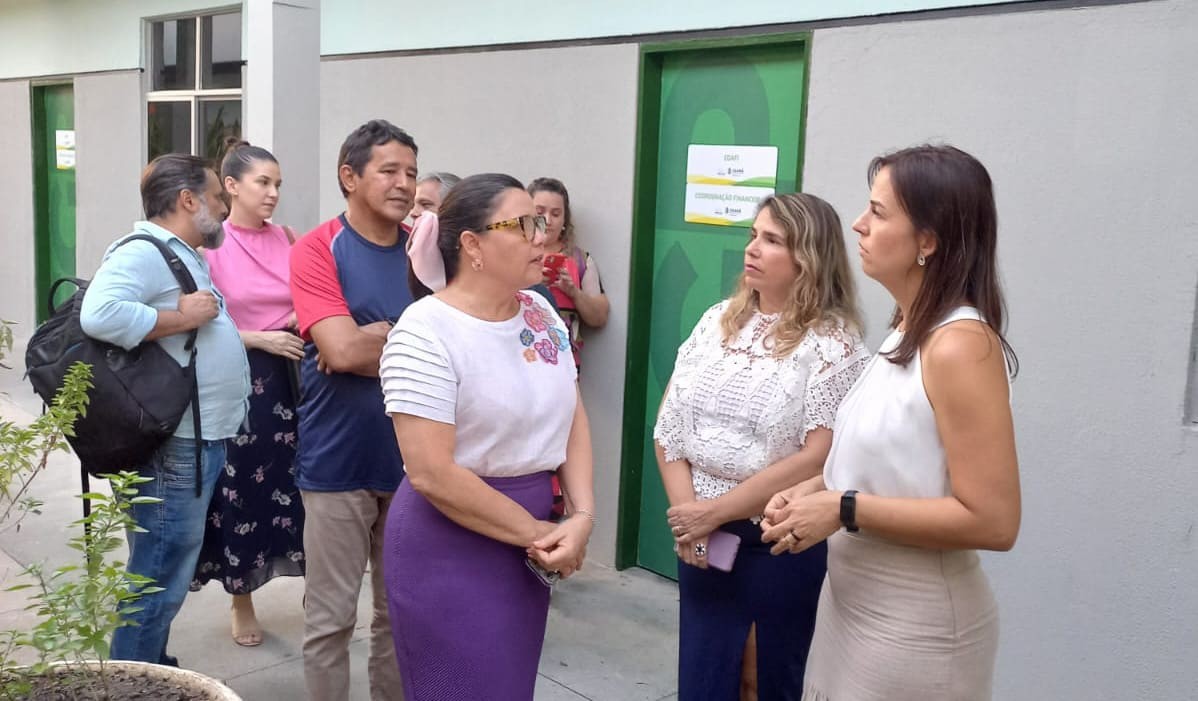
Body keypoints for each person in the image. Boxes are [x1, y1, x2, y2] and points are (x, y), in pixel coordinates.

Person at [760, 145, 1021, 701]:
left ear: (927, 241)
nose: (858, 223)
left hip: (915, 629)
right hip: (853, 609)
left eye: (878, 213)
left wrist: (842, 508)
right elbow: (891, 464)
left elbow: (995, 521)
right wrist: (812, 490)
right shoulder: (908, 329)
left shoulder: (959, 345)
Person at [380, 173, 595, 701]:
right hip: (450, 539)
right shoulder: (423, 331)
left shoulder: (539, 311)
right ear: (472, 245)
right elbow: (432, 472)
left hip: (529, 537)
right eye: (522, 225)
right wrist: (539, 535)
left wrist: (582, 516)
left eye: (540, 222)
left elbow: (571, 413)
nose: (540, 236)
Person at [653, 193, 869, 700]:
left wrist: (713, 513)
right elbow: (669, 427)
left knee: (760, 680)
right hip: (702, 540)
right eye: (753, 235)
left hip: (776, 542)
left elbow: (818, 456)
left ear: (807, 259)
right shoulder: (716, 321)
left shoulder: (832, 344)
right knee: (705, 678)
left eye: (772, 240)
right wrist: (690, 518)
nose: (752, 248)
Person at [80, 154, 250, 665]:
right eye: (218, 197)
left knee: (162, 568)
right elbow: (100, 314)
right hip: (173, 445)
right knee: (157, 573)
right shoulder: (144, 252)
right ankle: (134, 679)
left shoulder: (179, 253)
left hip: (190, 438)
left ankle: (148, 664)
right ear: (188, 200)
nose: (225, 208)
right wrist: (180, 316)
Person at [289, 119, 416, 701]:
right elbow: (339, 351)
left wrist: (375, 337)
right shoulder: (318, 248)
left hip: (417, 465)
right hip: (337, 461)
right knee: (330, 621)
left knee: (400, 618)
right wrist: (394, 344)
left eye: (411, 172)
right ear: (350, 176)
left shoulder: (428, 254)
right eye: (389, 171)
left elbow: (455, 352)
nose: (404, 184)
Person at [190, 138, 306, 647]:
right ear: (232, 186)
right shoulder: (209, 248)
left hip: (299, 375)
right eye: (263, 182)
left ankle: (319, 591)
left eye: (278, 183)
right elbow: (199, 326)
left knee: (308, 486)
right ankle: (242, 598)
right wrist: (259, 337)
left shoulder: (289, 238)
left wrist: (301, 315)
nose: (273, 192)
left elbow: (311, 296)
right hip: (245, 379)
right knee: (243, 490)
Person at [529, 177, 608, 369]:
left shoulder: (581, 261)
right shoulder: (511, 254)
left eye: (556, 214)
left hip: (565, 363)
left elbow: (599, 317)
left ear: (565, 220)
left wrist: (574, 293)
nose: (547, 221)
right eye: (540, 212)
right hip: (519, 357)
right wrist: (533, 285)